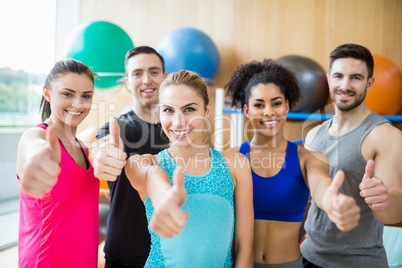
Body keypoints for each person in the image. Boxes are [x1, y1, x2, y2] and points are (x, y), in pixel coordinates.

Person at [225, 59, 361, 268]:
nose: (269, 111)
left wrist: (332, 201)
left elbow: (320, 185)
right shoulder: (230, 158)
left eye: (276, 103)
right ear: (246, 111)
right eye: (259, 105)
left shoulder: (308, 159)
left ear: (287, 106)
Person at [121, 70, 254, 267]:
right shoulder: (147, 163)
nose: (179, 122)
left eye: (189, 109)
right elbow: (149, 174)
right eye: (168, 110)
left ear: (207, 110)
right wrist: (165, 195)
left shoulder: (235, 164)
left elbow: (244, 246)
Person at [300, 43, 402, 268]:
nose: (345, 85)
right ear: (329, 79)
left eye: (355, 77)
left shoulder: (385, 136)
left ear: (370, 83)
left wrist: (383, 200)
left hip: (358, 262)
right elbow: (311, 201)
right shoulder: (313, 135)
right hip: (308, 256)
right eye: (339, 76)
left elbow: (393, 210)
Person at [91, 46, 170, 267]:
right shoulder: (117, 128)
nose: (146, 80)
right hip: (125, 255)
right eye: (137, 73)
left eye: (154, 72)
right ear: (127, 81)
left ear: (165, 77)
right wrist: (103, 156)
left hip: (173, 253)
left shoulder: (181, 130)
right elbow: (101, 146)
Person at [16, 58, 99, 267]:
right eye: (68, 94)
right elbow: (33, 147)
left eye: (86, 96)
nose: (78, 104)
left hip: (84, 259)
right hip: (47, 260)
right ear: (47, 93)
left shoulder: (85, 149)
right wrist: (38, 156)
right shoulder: (37, 136)